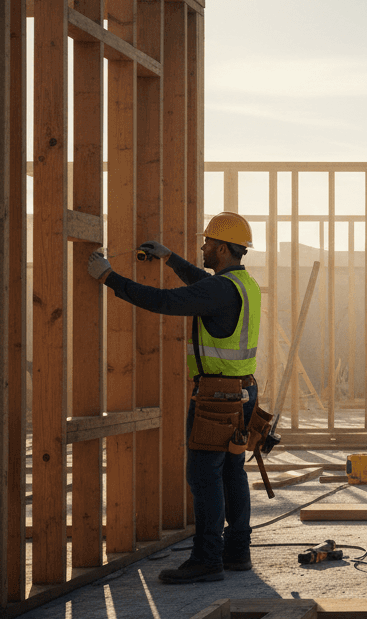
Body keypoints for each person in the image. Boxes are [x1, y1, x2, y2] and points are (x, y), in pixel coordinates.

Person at [86, 212, 261, 584]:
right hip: (242, 392)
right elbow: (203, 284)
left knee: (204, 476)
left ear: (223, 248)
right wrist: (169, 258)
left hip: (216, 398)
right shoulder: (242, 284)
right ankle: (236, 552)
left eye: (208, 243)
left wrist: (108, 278)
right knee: (231, 471)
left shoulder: (218, 290)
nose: (202, 247)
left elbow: (163, 301)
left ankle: (206, 559)